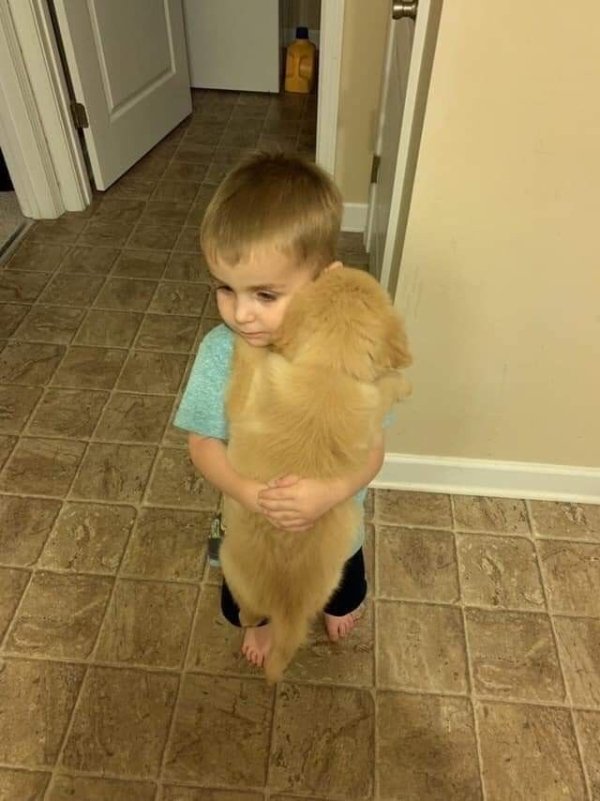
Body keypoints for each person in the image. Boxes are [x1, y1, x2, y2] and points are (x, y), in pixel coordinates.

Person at [174, 152, 386, 668]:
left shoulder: (350, 353)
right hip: (252, 529)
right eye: (225, 288)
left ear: (324, 283)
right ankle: (264, 619)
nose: (241, 313)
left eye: (265, 294)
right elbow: (203, 442)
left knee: (342, 580)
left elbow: (373, 447)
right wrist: (247, 493)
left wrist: (330, 493)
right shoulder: (220, 353)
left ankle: (339, 604)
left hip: (333, 527)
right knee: (252, 590)